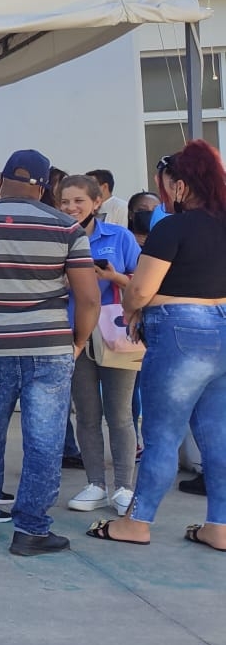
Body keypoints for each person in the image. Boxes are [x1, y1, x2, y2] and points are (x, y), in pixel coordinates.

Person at [0, 150, 100, 556]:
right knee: (44, 438)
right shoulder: (66, 227)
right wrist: (77, 342)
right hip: (49, 347)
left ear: (2, 182)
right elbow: (88, 298)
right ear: (46, 185)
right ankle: (31, 530)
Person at [92, 142, 226, 548]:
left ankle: (137, 522)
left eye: (165, 185)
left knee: (162, 435)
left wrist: (133, 310)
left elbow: (138, 290)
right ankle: (219, 526)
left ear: (181, 186)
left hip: (180, 331)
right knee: (217, 435)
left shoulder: (172, 228)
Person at [58, 175, 140, 515]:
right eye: (65, 201)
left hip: (116, 333)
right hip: (73, 335)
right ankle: (95, 484)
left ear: (97, 203)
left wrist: (112, 277)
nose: (71, 207)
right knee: (86, 414)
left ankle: (124, 487)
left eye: (78, 201)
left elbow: (142, 284)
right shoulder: (55, 239)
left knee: (120, 414)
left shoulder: (119, 237)